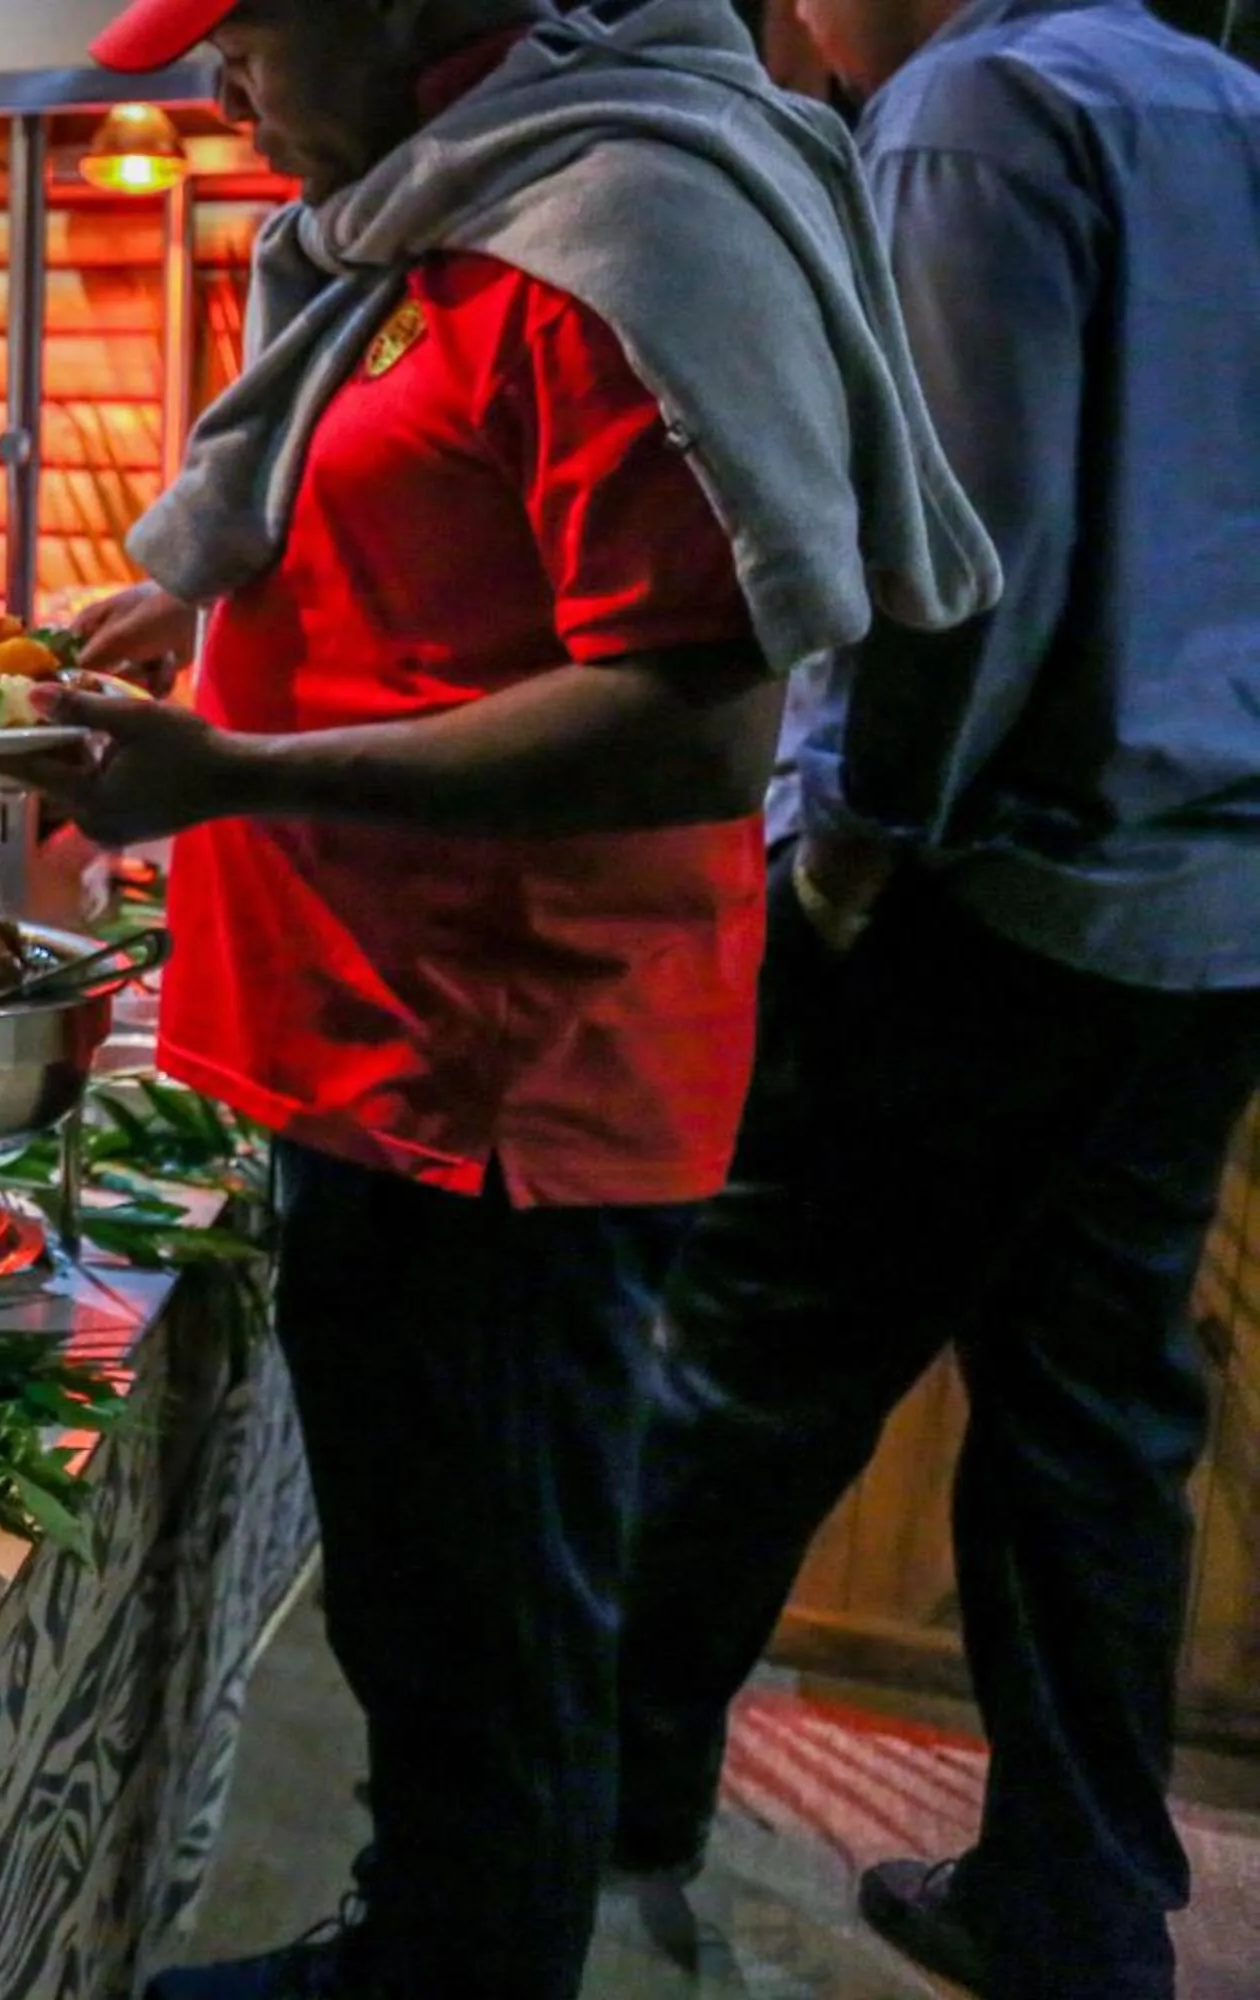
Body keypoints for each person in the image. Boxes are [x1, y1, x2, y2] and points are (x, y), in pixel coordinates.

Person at [33, 1, 1000, 1994]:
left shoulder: (620, 226)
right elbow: (444, 556)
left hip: (498, 1074)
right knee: (432, 1595)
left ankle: (455, 1962)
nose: (217, 77)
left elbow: (690, 724)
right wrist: (215, 615)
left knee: (493, 1629)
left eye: (250, 28)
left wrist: (242, 775)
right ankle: (431, 1931)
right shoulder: (439, 215)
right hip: (374, 1040)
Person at [609, 3, 1260, 1994]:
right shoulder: (1227, 94)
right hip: (1212, 892)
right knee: (1097, 1413)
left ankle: (594, 1824)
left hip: (1007, 882)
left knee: (750, 1364)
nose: (797, 20)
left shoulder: (972, 109)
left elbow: (948, 538)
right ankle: (1078, 1911)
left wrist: (860, 832)